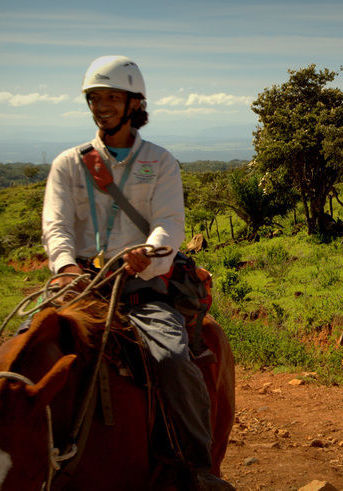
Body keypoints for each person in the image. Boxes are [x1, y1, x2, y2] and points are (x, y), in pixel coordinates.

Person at [41, 55, 232, 491]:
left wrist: (149, 253)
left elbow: (170, 222)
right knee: (22, 351)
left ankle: (196, 468)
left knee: (170, 357)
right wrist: (67, 266)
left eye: (113, 97)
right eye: (96, 98)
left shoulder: (160, 162)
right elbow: (57, 225)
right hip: (80, 285)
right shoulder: (69, 164)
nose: (103, 106)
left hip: (139, 285)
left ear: (133, 104)